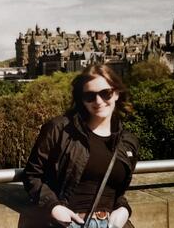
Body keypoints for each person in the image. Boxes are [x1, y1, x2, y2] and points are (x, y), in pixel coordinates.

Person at [22, 64, 139, 228]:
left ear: (117, 93)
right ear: (81, 99)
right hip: (70, 223)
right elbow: (32, 175)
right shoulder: (60, 129)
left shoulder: (128, 141)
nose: (98, 101)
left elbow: (116, 190)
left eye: (105, 93)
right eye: (90, 96)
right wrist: (54, 207)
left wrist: (124, 209)